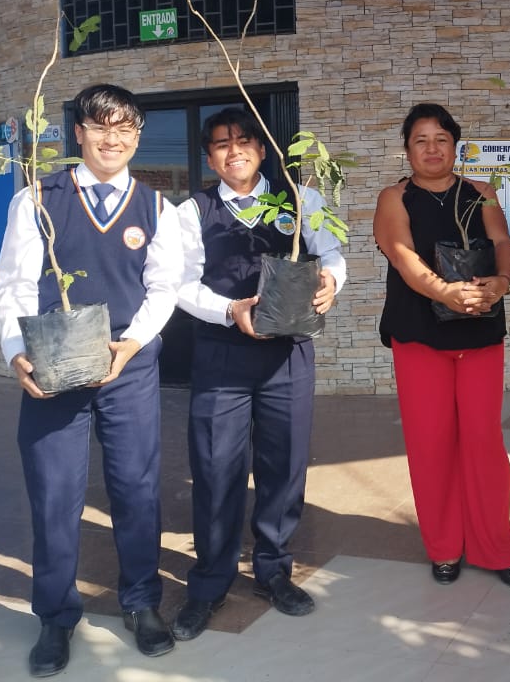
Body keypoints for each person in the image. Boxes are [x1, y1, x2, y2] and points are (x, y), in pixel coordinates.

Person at [0, 83, 182, 677]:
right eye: (100, 126)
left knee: (136, 487)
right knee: (54, 494)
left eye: (125, 128)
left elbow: (164, 288)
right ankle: (55, 616)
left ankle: (142, 602)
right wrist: (15, 353)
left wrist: (133, 343)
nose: (112, 138)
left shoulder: (157, 208)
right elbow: (15, 285)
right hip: (55, 362)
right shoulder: (36, 199)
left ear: (137, 137)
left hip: (128, 366)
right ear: (78, 132)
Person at [170, 106, 345, 639]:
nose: (234, 151)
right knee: (215, 468)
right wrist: (230, 309)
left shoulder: (301, 199)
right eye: (222, 143)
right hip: (221, 354)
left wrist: (331, 283)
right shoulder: (192, 211)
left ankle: (273, 569)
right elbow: (180, 284)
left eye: (244, 140)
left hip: (287, 354)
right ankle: (210, 582)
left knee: (284, 465)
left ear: (262, 149)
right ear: (209, 157)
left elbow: (331, 254)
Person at [373, 103, 510, 588]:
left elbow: (501, 243)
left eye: (441, 139)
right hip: (419, 334)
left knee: (484, 441)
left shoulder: (481, 193)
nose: (432, 148)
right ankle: (444, 547)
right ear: (407, 150)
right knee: (431, 443)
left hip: (479, 330)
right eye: (421, 140)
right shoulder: (394, 198)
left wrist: (501, 282)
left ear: (456, 146)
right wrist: (443, 292)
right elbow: (402, 254)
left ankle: (495, 546)